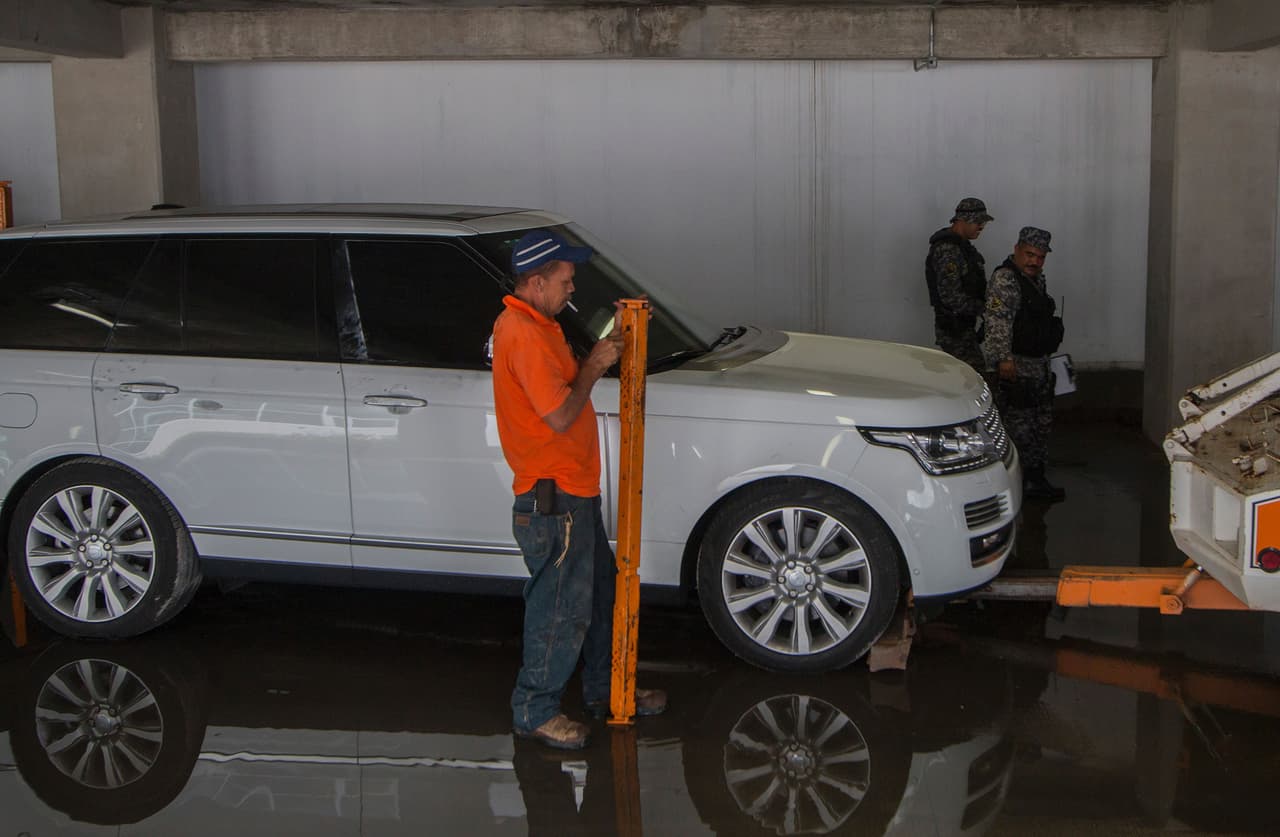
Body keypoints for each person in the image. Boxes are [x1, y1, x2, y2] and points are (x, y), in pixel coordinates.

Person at [491, 230, 667, 751]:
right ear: (537, 282)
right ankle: (535, 710)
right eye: (565, 280)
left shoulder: (541, 325)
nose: (572, 288)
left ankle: (608, 692)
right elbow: (561, 414)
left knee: (598, 598)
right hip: (554, 500)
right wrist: (593, 366)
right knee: (560, 609)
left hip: (572, 493)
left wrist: (622, 329)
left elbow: (571, 378)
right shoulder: (522, 334)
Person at [982, 226, 1065, 501]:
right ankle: (1018, 483)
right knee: (1019, 426)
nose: (1034, 261)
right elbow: (997, 322)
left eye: (1040, 257)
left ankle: (1035, 478)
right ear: (1017, 249)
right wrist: (1003, 360)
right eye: (1029, 254)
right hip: (1017, 365)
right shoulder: (1006, 279)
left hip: (1038, 364)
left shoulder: (1035, 280)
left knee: (1040, 424)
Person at [925, 197, 994, 372]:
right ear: (963, 220)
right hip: (954, 330)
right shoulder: (948, 250)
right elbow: (951, 297)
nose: (981, 226)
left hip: (963, 328)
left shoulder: (963, 247)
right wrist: (983, 309)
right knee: (974, 375)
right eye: (978, 222)